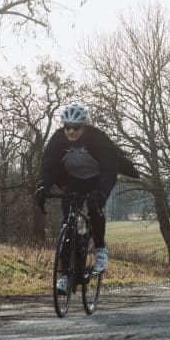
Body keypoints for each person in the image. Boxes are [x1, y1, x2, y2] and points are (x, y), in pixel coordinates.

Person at [35, 103, 139, 292]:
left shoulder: (97, 138)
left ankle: (100, 249)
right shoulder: (57, 139)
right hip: (73, 180)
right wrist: (43, 187)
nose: (71, 131)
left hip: (98, 178)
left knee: (94, 208)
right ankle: (67, 275)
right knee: (67, 224)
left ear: (84, 126)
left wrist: (101, 193)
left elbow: (109, 169)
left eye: (76, 127)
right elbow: (48, 166)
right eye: (67, 127)